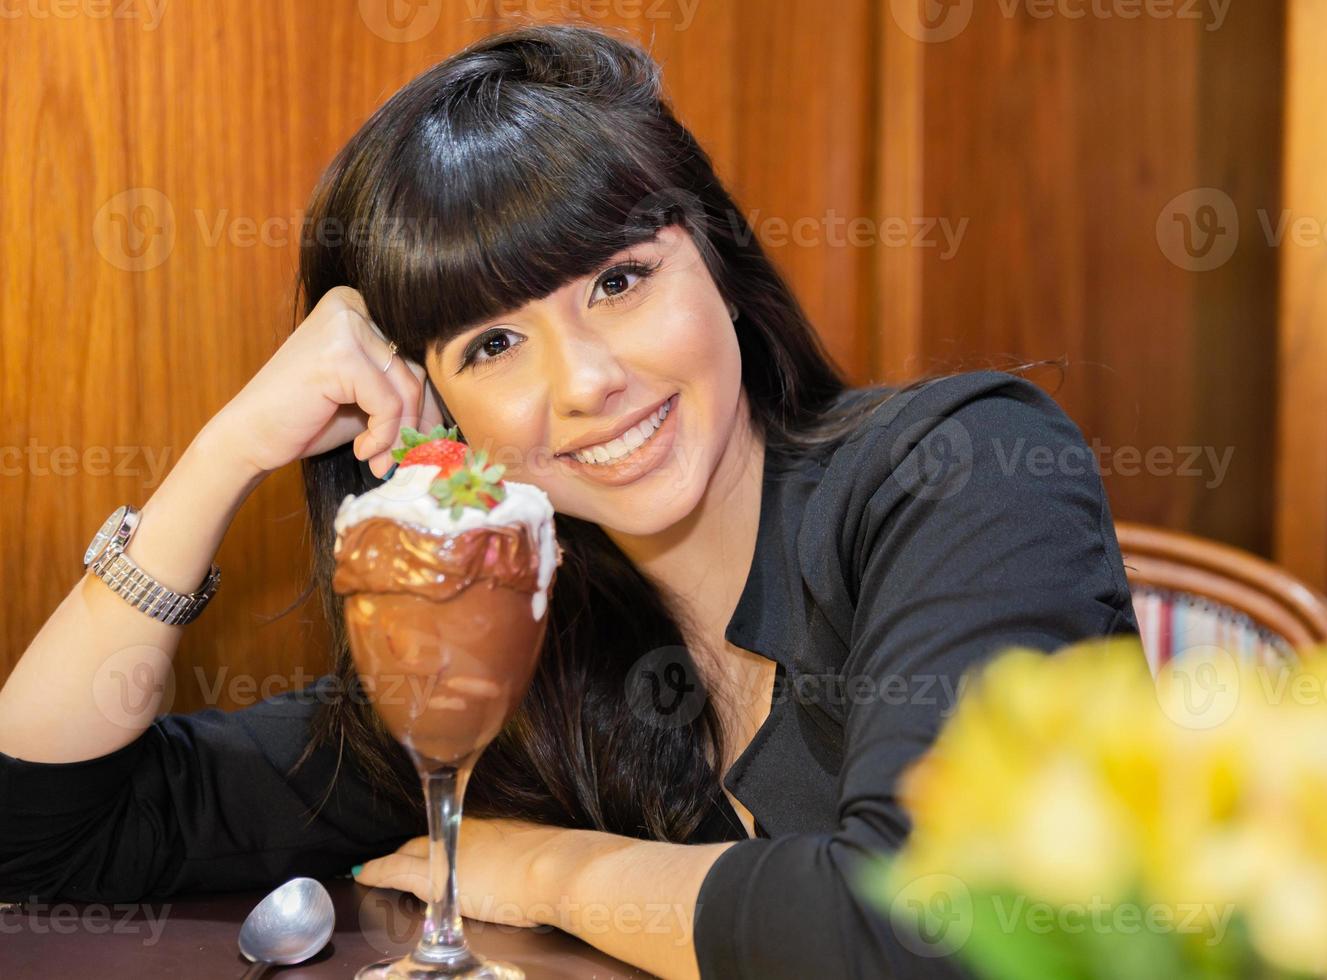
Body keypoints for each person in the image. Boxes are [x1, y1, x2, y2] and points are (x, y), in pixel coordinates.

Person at [0, 23, 1137, 980]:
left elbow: (926, 928)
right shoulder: (505, 637)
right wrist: (222, 453)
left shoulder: (965, 468)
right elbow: (42, 838)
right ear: (434, 410)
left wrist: (547, 868)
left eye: (620, 280)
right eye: (494, 342)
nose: (586, 381)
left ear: (719, 264)